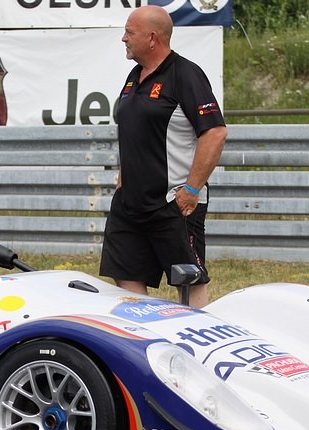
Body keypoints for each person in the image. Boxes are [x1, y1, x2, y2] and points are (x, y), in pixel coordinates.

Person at [99, 5, 227, 309]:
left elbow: (215, 133)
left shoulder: (185, 74)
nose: (124, 38)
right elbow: (136, 131)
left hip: (173, 201)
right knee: (126, 274)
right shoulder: (134, 76)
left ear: (152, 38)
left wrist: (192, 189)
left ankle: (194, 334)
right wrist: (124, 177)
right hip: (130, 203)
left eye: (130, 32)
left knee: (188, 279)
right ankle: (144, 330)